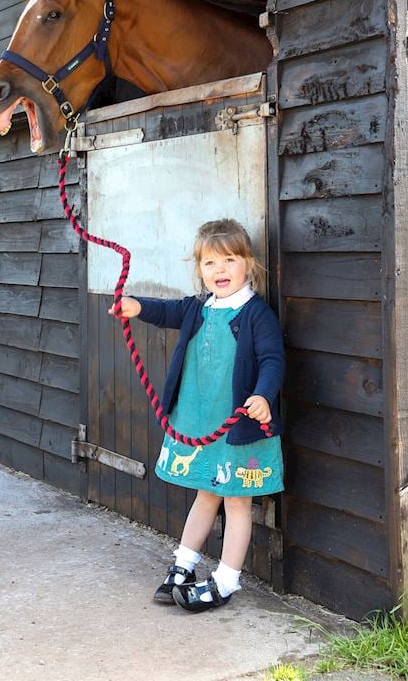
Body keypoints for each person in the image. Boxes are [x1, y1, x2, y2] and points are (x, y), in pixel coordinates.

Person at [108, 218, 285, 613]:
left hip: (239, 426)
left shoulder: (257, 314)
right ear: (199, 269)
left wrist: (262, 394)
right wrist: (137, 307)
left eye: (229, 260)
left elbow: (273, 360)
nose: (219, 270)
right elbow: (167, 311)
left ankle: (225, 581)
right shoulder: (199, 307)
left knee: (237, 501)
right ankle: (183, 565)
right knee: (206, 493)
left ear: (248, 264)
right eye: (210, 263)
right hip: (203, 423)